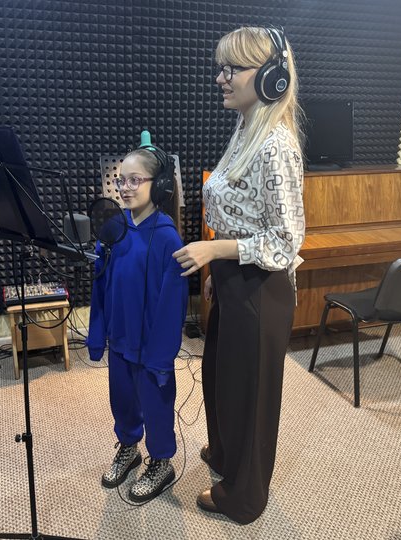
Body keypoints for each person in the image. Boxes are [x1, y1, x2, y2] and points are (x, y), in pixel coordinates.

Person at [172, 26, 305, 524]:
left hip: (261, 288)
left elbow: (285, 241)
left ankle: (244, 498)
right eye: (220, 68)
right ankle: (226, 455)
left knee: (252, 396)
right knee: (221, 378)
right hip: (234, 277)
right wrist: (219, 268)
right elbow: (242, 212)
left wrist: (214, 250)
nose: (221, 78)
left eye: (233, 69)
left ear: (271, 78)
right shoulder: (246, 127)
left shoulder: (276, 145)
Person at [87, 135, 188, 503]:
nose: (125, 188)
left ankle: (161, 461)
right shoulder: (114, 231)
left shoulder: (168, 240)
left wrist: (161, 358)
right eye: (121, 180)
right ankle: (129, 448)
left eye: (134, 180)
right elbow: (100, 287)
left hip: (151, 349)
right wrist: (97, 336)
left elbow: (172, 307)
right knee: (123, 400)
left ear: (157, 186)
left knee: (156, 406)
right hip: (120, 339)